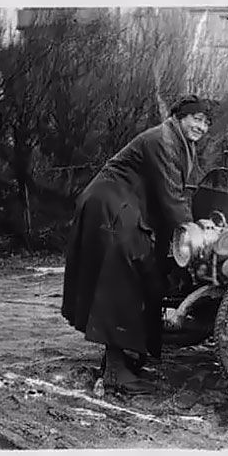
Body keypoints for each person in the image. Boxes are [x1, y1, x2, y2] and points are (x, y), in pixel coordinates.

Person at [61, 95, 213, 393]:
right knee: (124, 281)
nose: (202, 127)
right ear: (180, 117)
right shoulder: (163, 141)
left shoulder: (178, 141)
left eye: (207, 123)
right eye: (197, 119)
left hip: (122, 207)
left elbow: (169, 196)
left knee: (144, 272)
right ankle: (117, 373)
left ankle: (124, 359)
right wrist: (195, 241)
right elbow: (171, 200)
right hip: (112, 208)